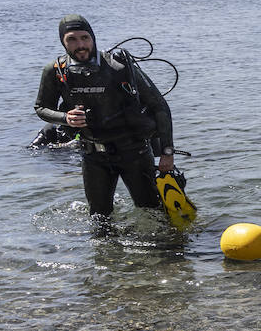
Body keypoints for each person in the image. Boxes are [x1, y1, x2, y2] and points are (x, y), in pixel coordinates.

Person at [34, 14, 176, 223]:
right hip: (93, 156)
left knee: (154, 214)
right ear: (63, 42)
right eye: (72, 39)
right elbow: (41, 108)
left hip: (134, 153)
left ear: (93, 37)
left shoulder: (119, 66)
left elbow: (160, 107)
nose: (80, 45)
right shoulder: (56, 71)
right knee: (99, 220)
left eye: (84, 38)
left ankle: (165, 254)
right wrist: (65, 117)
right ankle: (107, 256)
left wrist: (167, 152)